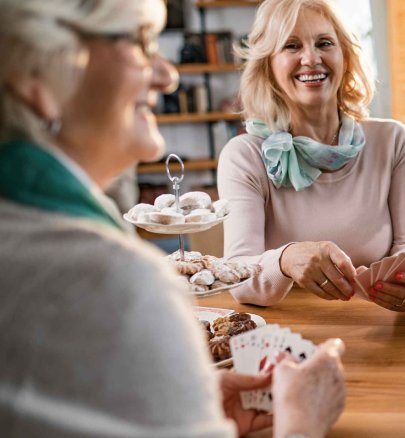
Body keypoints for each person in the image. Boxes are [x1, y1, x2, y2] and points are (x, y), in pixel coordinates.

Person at [0, 1, 346, 436]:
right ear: (39, 72)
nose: (168, 75)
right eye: (140, 43)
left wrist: (186, 400)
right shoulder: (114, 281)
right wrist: (302, 419)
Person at [219, 0, 405, 310]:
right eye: (291, 46)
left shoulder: (393, 141)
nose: (311, 58)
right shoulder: (243, 156)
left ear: (345, 55)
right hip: (287, 334)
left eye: (324, 43)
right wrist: (285, 259)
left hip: (380, 328)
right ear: (268, 65)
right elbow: (238, 278)